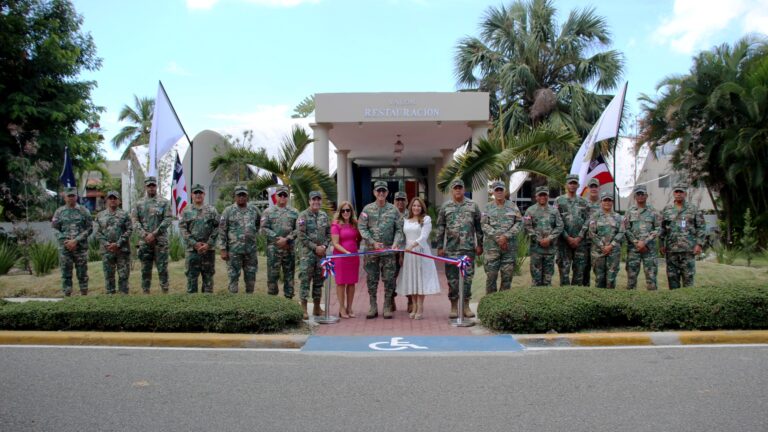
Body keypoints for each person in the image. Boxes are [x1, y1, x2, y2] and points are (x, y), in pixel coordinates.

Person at [436, 178, 483, 319]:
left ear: (464, 189)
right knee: (452, 280)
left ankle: (466, 305)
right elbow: (440, 228)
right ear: (452, 190)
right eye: (455, 188)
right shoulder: (446, 207)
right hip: (451, 250)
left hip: (468, 250)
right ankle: (454, 306)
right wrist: (439, 246)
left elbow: (479, 227)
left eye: (460, 188)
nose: (458, 190)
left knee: (467, 279)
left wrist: (479, 244)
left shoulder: (473, 205)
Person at [358, 181, 404, 319]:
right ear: (374, 192)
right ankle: (373, 306)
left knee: (389, 279)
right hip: (372, 251)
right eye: (378, 191)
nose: (381, 193)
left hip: (389, 251)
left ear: (387, 193)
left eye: (383, 191)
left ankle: (387, 305)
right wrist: (372, 242)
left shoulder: (393, 210)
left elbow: (399, 230)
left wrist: (396, 243)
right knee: (372, 278)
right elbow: (362, 228)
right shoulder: (367, 209)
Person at [397, 197, 440, 320]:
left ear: (422, 208)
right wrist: (401, 253)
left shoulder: (426, 219)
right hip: (408, 254)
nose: (416, 208)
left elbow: (424, 237)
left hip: (421, 252)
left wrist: (412, 245)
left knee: (420, 279)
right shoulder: (406, 220)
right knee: (412, 279)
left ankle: (420, 307)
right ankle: (414, 305)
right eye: (414, 205)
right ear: (411, 207)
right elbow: (402, 238)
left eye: (419, 206)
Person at [660, 183, 706, 288]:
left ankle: (688, 303)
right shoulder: (667, 210)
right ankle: (675, 302)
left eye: (681, 192)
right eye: (676, 192)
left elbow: (701, 227)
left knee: (688, 280)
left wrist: (699, 244)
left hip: (688, 250)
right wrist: (661, 244)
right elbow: (662, 229)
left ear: (685, 194)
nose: (679, 194)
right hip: (672, 251)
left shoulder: (693, 209)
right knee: (672, 280)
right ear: (673, 193)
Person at [131, 176, 172, 294]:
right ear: (145, 187)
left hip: (160, 242)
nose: (151, 188)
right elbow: (134, 221)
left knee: (163, 269)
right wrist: (144, 235)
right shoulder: (138, 204)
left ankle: (165, 292)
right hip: (145, 242)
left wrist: (154, 234)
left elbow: (168, 219)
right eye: (149, 186)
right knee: (145, 269)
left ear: (156, 186)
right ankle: (146, 293)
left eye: (153, 185)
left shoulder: (164, 202)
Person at [481, 181, 522, 293]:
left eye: (501, 190)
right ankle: (490, 305)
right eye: (497, 190)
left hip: (509, 249)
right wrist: (498, 237)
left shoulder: (513, 206)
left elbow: (519, 223)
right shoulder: (487, 207)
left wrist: (506, 236)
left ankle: (502, 306)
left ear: (505, 191)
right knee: (491, 277)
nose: (499, 192)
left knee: (507, 278)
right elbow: (484, 224)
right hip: (492, 249)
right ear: (493, 192)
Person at [219, 184, 261, 293]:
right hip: (234, 251)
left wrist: (251, 234)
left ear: (247, 196)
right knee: (233, 278)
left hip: (250, 251)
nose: (241, 197)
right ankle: (233, 305)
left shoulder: (254, 210)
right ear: (235, 196)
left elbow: (258, 224)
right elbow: (222, 230)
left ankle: (249, 304)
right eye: (239, 195)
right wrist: (223, 249)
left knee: (250, 278)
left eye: (244, 195)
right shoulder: (228, 211)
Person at [52, 187, 93, 296]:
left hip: (80, 248)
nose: (71, 198)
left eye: (73, 196)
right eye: (69, 196)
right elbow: (55, 228)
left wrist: (76, 240)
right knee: (66, 273)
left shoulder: (84, 211)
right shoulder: (59, 212)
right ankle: (67, 296)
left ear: (77, 197)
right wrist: (66, 241)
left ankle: (84, 295)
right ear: (65, 197)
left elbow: (90, 229)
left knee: (82, 273)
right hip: (65, 248)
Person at [260, 185, 298, 299]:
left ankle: (289, 303)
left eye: (285, 195)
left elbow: (299, 229)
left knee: (289, 276)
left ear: (288, 197)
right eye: (280, 195)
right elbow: (263, 229)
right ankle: (273, 303)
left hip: (289, 249)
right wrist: (277, 238)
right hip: (274, 249)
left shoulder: (294, 212)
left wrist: (287, 239)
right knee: (272, 277)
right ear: (276, 196)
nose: (282, 197)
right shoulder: (268, 212)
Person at [179, 184, 219, 294]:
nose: (198, 195)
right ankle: (193, 309)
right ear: (191, 195)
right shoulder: (186, 211)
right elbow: (183, 229)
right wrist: (194, 244)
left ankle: (207, 308)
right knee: (192, 282)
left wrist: (209, 244)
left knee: (208, 282)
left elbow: (217, 227)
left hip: (208, 251)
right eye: (195, 193)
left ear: (204, 194)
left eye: (200, 192)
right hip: (192, 252)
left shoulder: (212, 210)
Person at [298, 191, 331, 319]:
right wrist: (315, 247)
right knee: (305, 281)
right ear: (309, 201)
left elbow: (328, 234)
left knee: (319, 281)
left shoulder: (323, 215)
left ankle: (317, 308)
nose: (316, 202)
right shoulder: (303, 216)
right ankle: (304, 309)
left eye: (318, 200)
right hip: (308, 255)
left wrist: (324, 246)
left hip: (321, 255)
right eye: (314, 200)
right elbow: (301, 236)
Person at [623, 185, 662, 290]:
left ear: (646, 196)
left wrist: (645, 242)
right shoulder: (629, 211)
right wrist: (636, 243)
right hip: (633, 249)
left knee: (651, 278)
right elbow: (626, 229)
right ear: (635, 196)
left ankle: (652, 303)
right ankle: (631, 302)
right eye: (638, 194)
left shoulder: (654, 211)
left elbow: (658, 228)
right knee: (631, 279)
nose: (640, 196)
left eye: (642, 194)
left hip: (649, 250)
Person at [523, 186, 563, 286]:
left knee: (547, 280)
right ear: (536, 196)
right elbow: (527, 227)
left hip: (550, 250)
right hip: (536, 250)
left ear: (548, 196)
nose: (542, 197)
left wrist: (549, 238)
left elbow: (560, 226)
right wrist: (539, 240)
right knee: (536, 280)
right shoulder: (530, 210)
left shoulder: (554, 211)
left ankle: (546, 300)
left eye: (544, 195)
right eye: (540, 195)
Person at [94, 190, 132, 294]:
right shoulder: (100, 215)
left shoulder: (125, 215)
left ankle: (123, 300)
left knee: (123, 276)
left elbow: (129, 230)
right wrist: (107, 244)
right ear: (106, 200)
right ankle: (110, 301)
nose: (112, 200)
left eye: (115, 198)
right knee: (109, 276)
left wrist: (118, 243)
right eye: (110, 198)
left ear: (119, 201)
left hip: (122, 250)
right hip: (107, 251)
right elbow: (97, 232)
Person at [555, 174, 589, 286]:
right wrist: (567, 237)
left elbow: (588, 220)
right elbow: (557, 221)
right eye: (570, 183)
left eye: (575, 183)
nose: (572, 185)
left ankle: (576, 299)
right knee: (564, 273)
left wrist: (579, 237)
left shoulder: (584, 202)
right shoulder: (559, 201)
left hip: (580, 243)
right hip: (564, 243)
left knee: (579, 273)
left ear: (578, 185)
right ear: (566, 185)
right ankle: (565, 299)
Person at [587, 192, 625, 288]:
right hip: (598, 252)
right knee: (599, 279)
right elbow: (591, 233)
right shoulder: (595, 216)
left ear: (612, 202)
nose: (607, 202)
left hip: (613, 252)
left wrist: (611, 245)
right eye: (605, 200)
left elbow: (621, 232)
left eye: (609, 200)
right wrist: (602, 246)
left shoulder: (619, 217)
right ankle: (599, 302)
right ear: (601, 202)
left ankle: (610, 301)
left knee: (611, 279)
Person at [330, 200, 361, 318]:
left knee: (352, 283)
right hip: (341, 258)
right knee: (341, 283)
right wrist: (346, 252)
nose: (346, 212)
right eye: (343, 210)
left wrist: (353, 250)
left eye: (348, 210)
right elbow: (335, 243)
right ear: (340, 212)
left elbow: (359, 238)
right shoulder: (336, 224)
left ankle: (350, 307)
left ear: (351, 211)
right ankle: (342, 308)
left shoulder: (354, 223)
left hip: (353, 257)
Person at [582, 178, 601, 286]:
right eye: (591, 187)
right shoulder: (583, 203)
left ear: (599, 188)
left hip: (599, 242)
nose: (593, 189)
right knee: (584, 269)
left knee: (599, 270)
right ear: (588, 189)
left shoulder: (604, 203)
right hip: (585, 241)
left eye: (595, 186)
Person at [393, 190, 408, 312]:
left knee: (409, 276)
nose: (400, 202)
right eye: (398, 200)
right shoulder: (390, 213)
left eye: (402, 199)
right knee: (391, 277)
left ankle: (410, 300)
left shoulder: (411, 214)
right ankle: (391, 300)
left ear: (406, 201)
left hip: (409, 251)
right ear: (394, 201)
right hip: (393, 252)